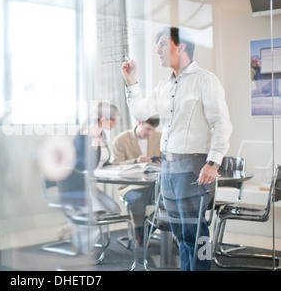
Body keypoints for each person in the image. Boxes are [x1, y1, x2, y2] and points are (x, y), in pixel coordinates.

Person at [121, 27, 232, 271]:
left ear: (180, 46)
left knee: (196, 230)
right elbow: (141, 112)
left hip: (193, 167)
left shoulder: (205, 79)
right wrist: (131, 81)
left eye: (162, 44)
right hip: (169, 168)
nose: (157, 50)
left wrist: (213, 163)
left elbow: (222, 124)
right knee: (180, 232)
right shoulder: (164, 85)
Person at [110, 118, 162, 246]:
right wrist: (135, 161)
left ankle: (148, 226)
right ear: (139, 123)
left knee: (170, 198)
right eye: (147, 129)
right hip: (130, 186)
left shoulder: (160, 137)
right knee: (137, 199)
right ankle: (140, 228)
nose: (150, 133)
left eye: (153, 130)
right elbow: (115, 164)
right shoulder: (121, 140)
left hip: (154, 184)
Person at [73, 101, 121, 215]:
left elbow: (103, 161)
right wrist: (95, 140)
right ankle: (76, 227)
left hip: (92, 185)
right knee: (101, 213)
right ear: (102, 119)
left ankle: (74, 227)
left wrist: (114, 166)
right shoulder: (84, 135)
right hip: (81, 186)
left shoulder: (102, 134)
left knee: (115, 210)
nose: (115, 123)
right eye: (113, 119)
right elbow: (85, 165)